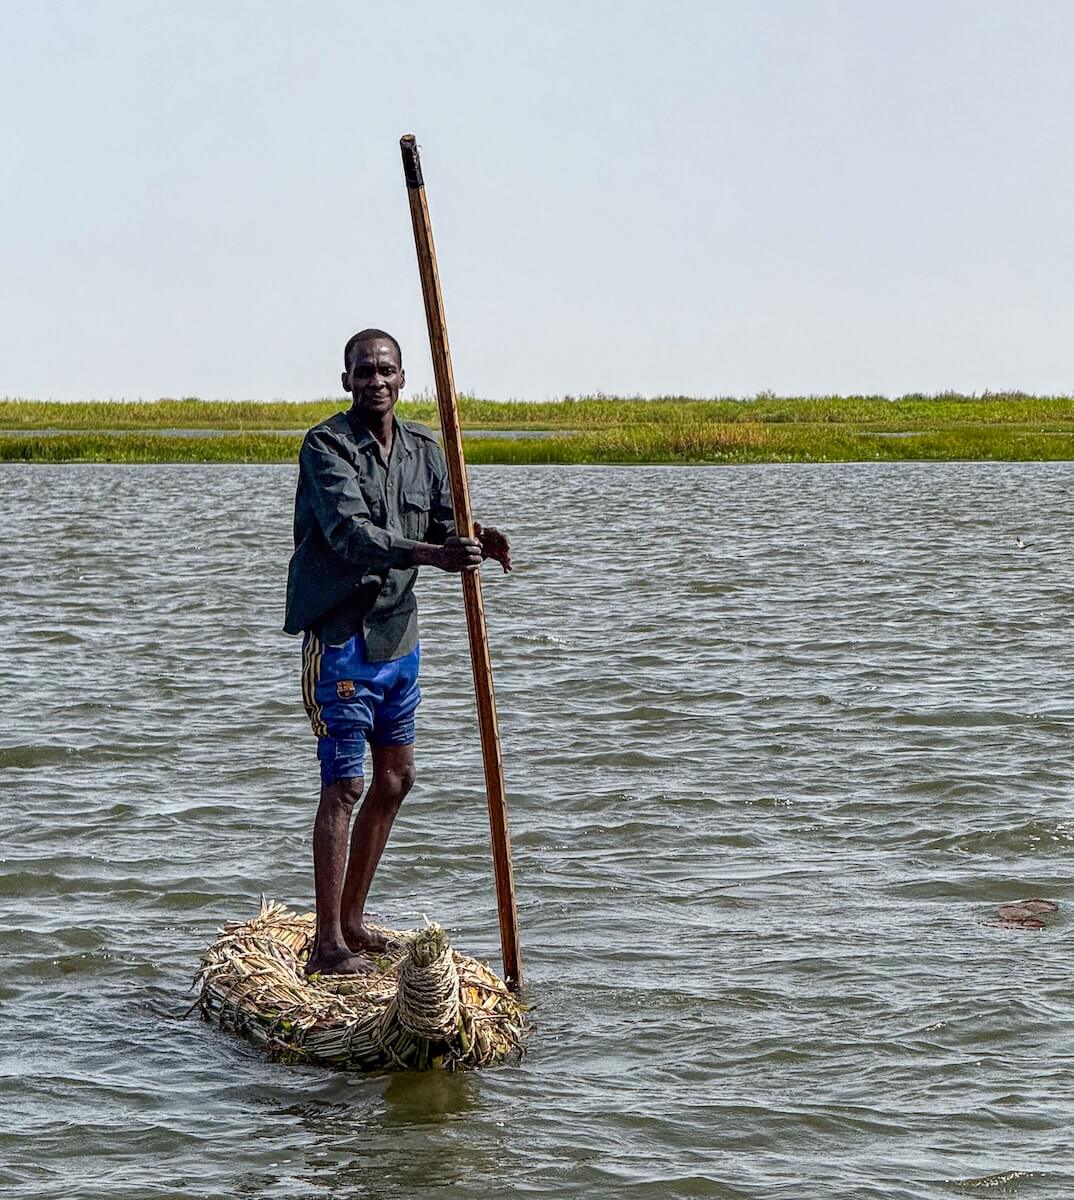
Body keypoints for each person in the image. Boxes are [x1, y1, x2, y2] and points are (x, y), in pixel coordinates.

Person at [284, 328, 511, 976]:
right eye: (363, 372)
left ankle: (353, 922)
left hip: (397, 635)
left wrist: (471, 536)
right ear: (346, 381)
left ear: (403, 378)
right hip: (340, 636)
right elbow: (351, 534)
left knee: (395, 778)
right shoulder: (326, 446)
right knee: (345, 782)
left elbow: (442, 521)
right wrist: (432, 555)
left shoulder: (422, 448)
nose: (375, 382)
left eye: (385, 371)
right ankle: (327, 944)